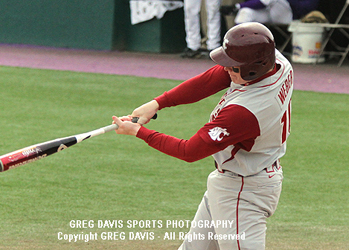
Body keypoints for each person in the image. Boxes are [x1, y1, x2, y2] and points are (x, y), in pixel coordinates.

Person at [113, 22, 293, 249]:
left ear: (251, 69)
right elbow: (212, 79)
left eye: (233, 67)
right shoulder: (277, 63)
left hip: (243, 192)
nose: (226, 69)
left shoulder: (246, 111)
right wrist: (158, 103)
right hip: (235, 181)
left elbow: (190, 151)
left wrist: (139, 132)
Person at [220, 0, 319, 24]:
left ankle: (236, 7)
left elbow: (309, 7)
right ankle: (238, 46)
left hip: (289, 15)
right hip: (269, 12)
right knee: (246, 12)